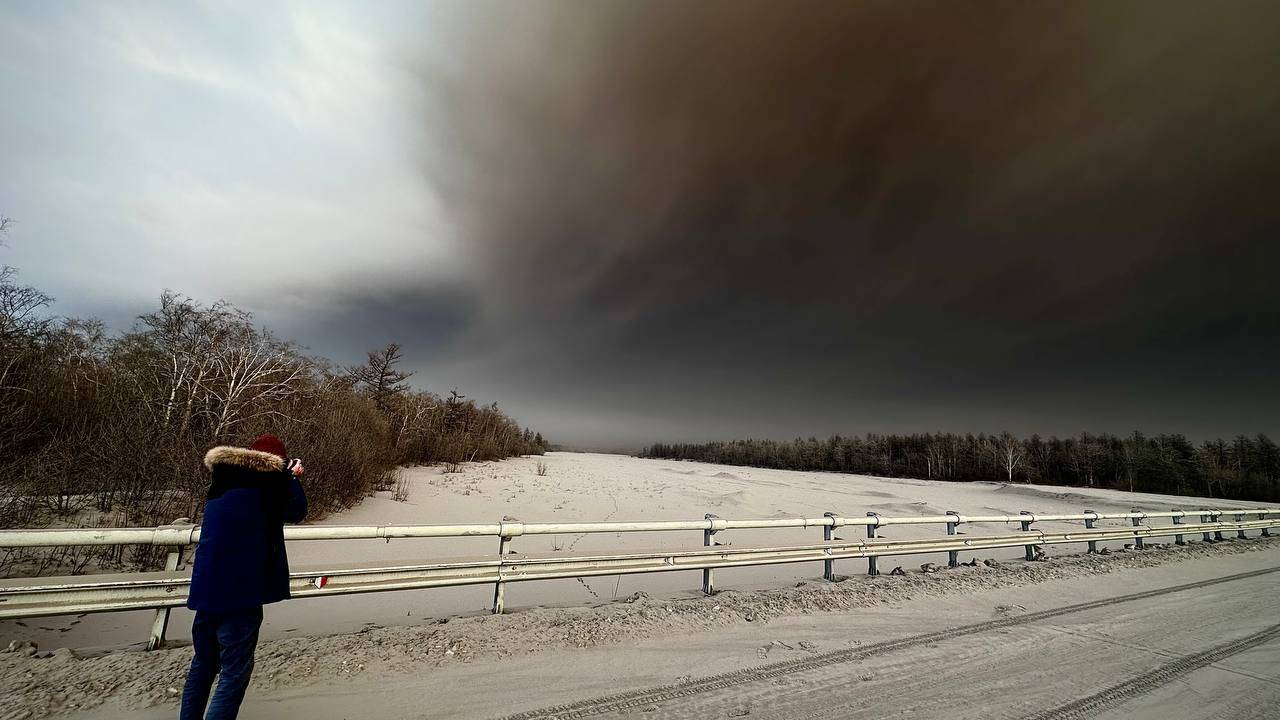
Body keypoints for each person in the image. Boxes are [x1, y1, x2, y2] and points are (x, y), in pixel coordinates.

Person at [180, 435, 307, 720]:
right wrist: (292, 479)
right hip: (242, 591)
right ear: (276, 463)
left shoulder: (221, 480)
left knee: (203, 664)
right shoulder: (270, 483)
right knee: (235, 672)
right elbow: (297, 511)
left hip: (206, 588)